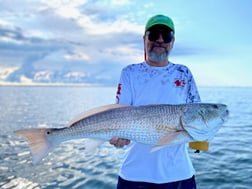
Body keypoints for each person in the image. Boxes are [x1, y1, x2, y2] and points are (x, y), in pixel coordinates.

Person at [110, 14, 201, 189]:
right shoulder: (130, 72)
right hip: (134, 175)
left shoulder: (184, 73)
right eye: (153, 35)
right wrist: (117, 136)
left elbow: (196, 117)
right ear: (144, 39)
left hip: (179, 175)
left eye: (166, 36)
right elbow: (119, 114)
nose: (160, 40)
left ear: (172, 41)